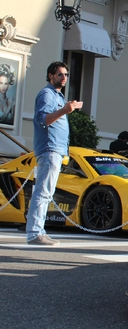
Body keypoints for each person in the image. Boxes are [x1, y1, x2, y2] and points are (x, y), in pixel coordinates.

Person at [25, 61, 83, 246]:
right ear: (50, 75)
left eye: (66, 74)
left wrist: (67, 108)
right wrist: (64, 110)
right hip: (50, 149)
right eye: (60, 74)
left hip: (55, 150)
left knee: (46, 192)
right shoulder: (47, 94)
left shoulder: (56, 95)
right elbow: (44, 120)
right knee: (43, 192)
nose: (64, 78)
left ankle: (39, 230)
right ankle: (35, 233)